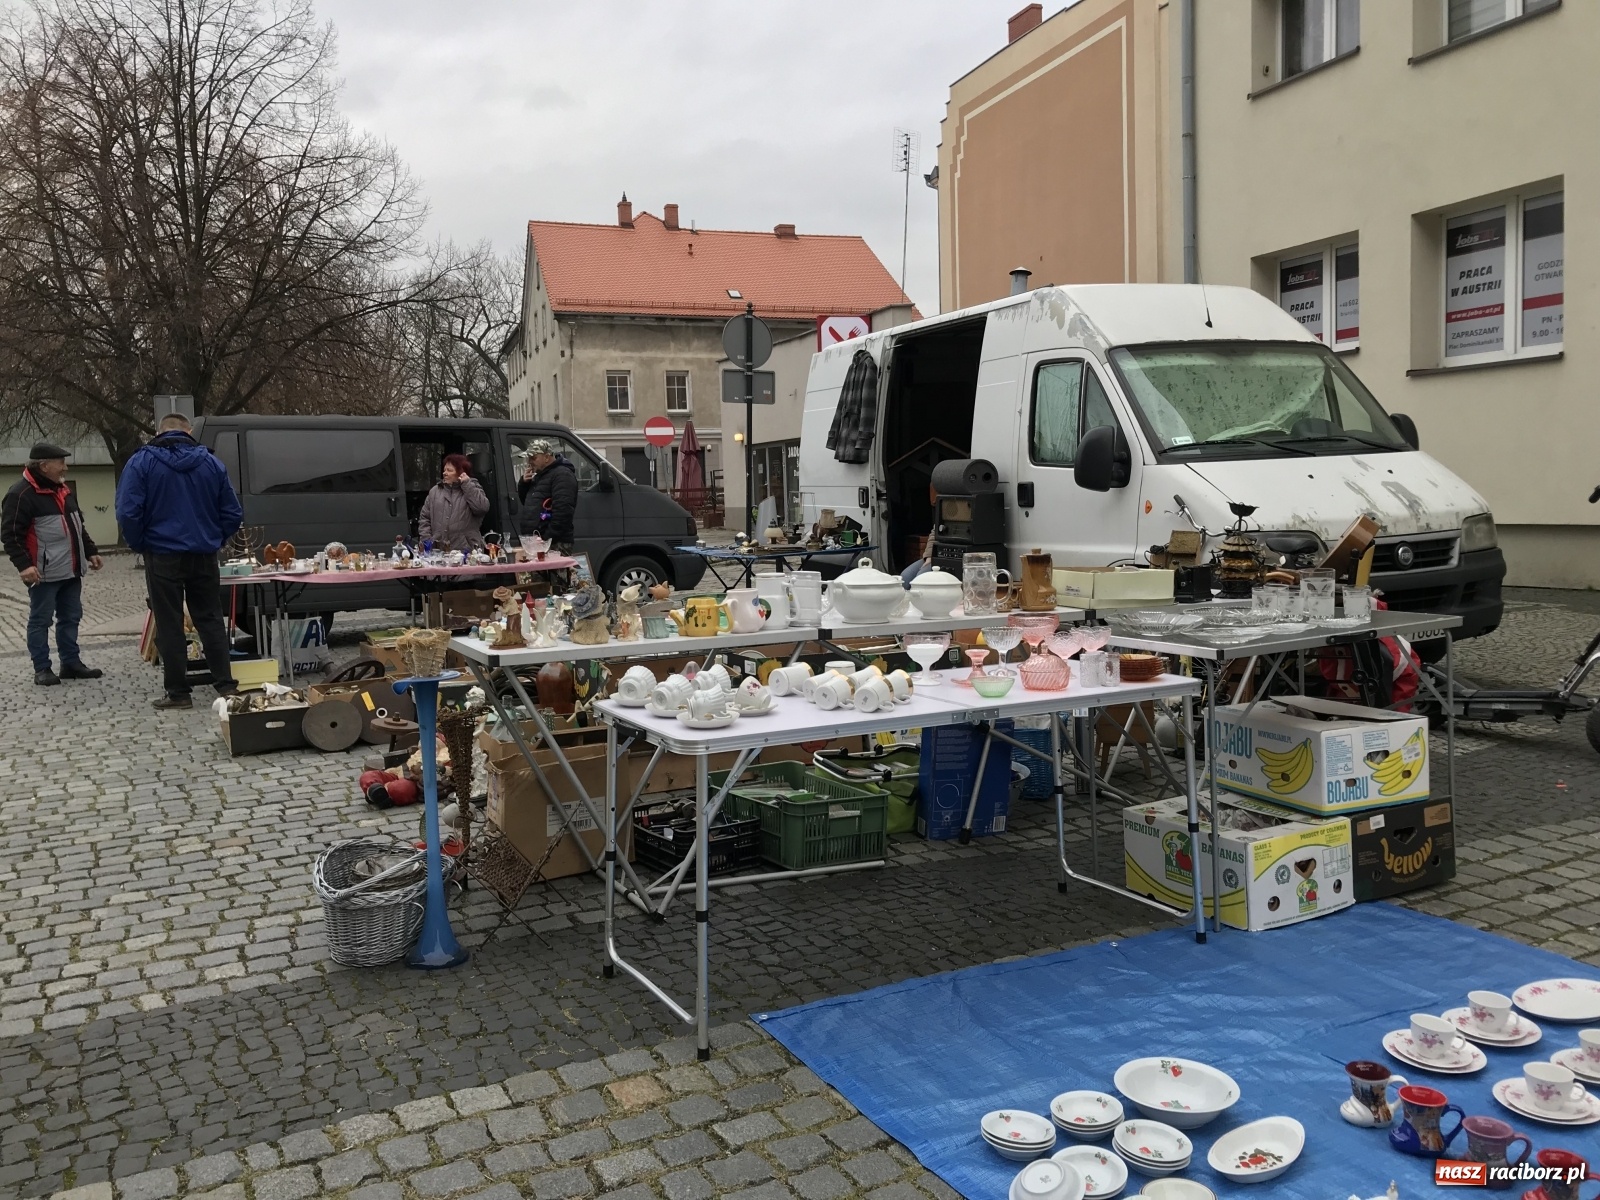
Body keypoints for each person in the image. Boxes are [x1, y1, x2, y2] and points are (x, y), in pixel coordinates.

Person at [115, 414, 243, 709]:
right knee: (210, 618)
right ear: (189, 431)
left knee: (170, 622)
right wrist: (215, 538)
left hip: (161, 554)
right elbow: (233, 512)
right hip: (203, 552)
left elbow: (127, 511)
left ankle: (178, 692)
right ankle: (225, 685)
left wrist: (141, 544)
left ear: (159, 431)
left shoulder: (141, 462)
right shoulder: (212, 463)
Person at [2, 442, 104, 685]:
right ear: (44, 465)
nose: (65, 468)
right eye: (61, 463)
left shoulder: (63, 490)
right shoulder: (20, 494)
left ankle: (70, 662)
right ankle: (42, 668)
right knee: (41, 620)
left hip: (71, 569)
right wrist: (24, 566)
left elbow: (78, 525)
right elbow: (10, 535)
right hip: (43, 573)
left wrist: (90, 551)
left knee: (71, 617)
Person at [516, 438, 578, 555]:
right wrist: (524, 484)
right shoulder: (540, 476)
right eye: (528, 458)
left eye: (533, 458)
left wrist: (546, 539)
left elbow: (562, 513)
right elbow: (529, 504)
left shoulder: (562, 475)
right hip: (536, 543)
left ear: (546, 457)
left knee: (553, 573)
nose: (530, 462)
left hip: (553, 544)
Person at [417, 453, 489, 551]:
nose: (445, 473)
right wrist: (427, 541)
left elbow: (482, 508)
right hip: (438, 551)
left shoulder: (472, 487)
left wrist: (467, 485)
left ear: (461, 472)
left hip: (467, 552)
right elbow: (424, 518)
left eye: (450, 470)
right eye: (444, 470)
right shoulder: (435, 491)